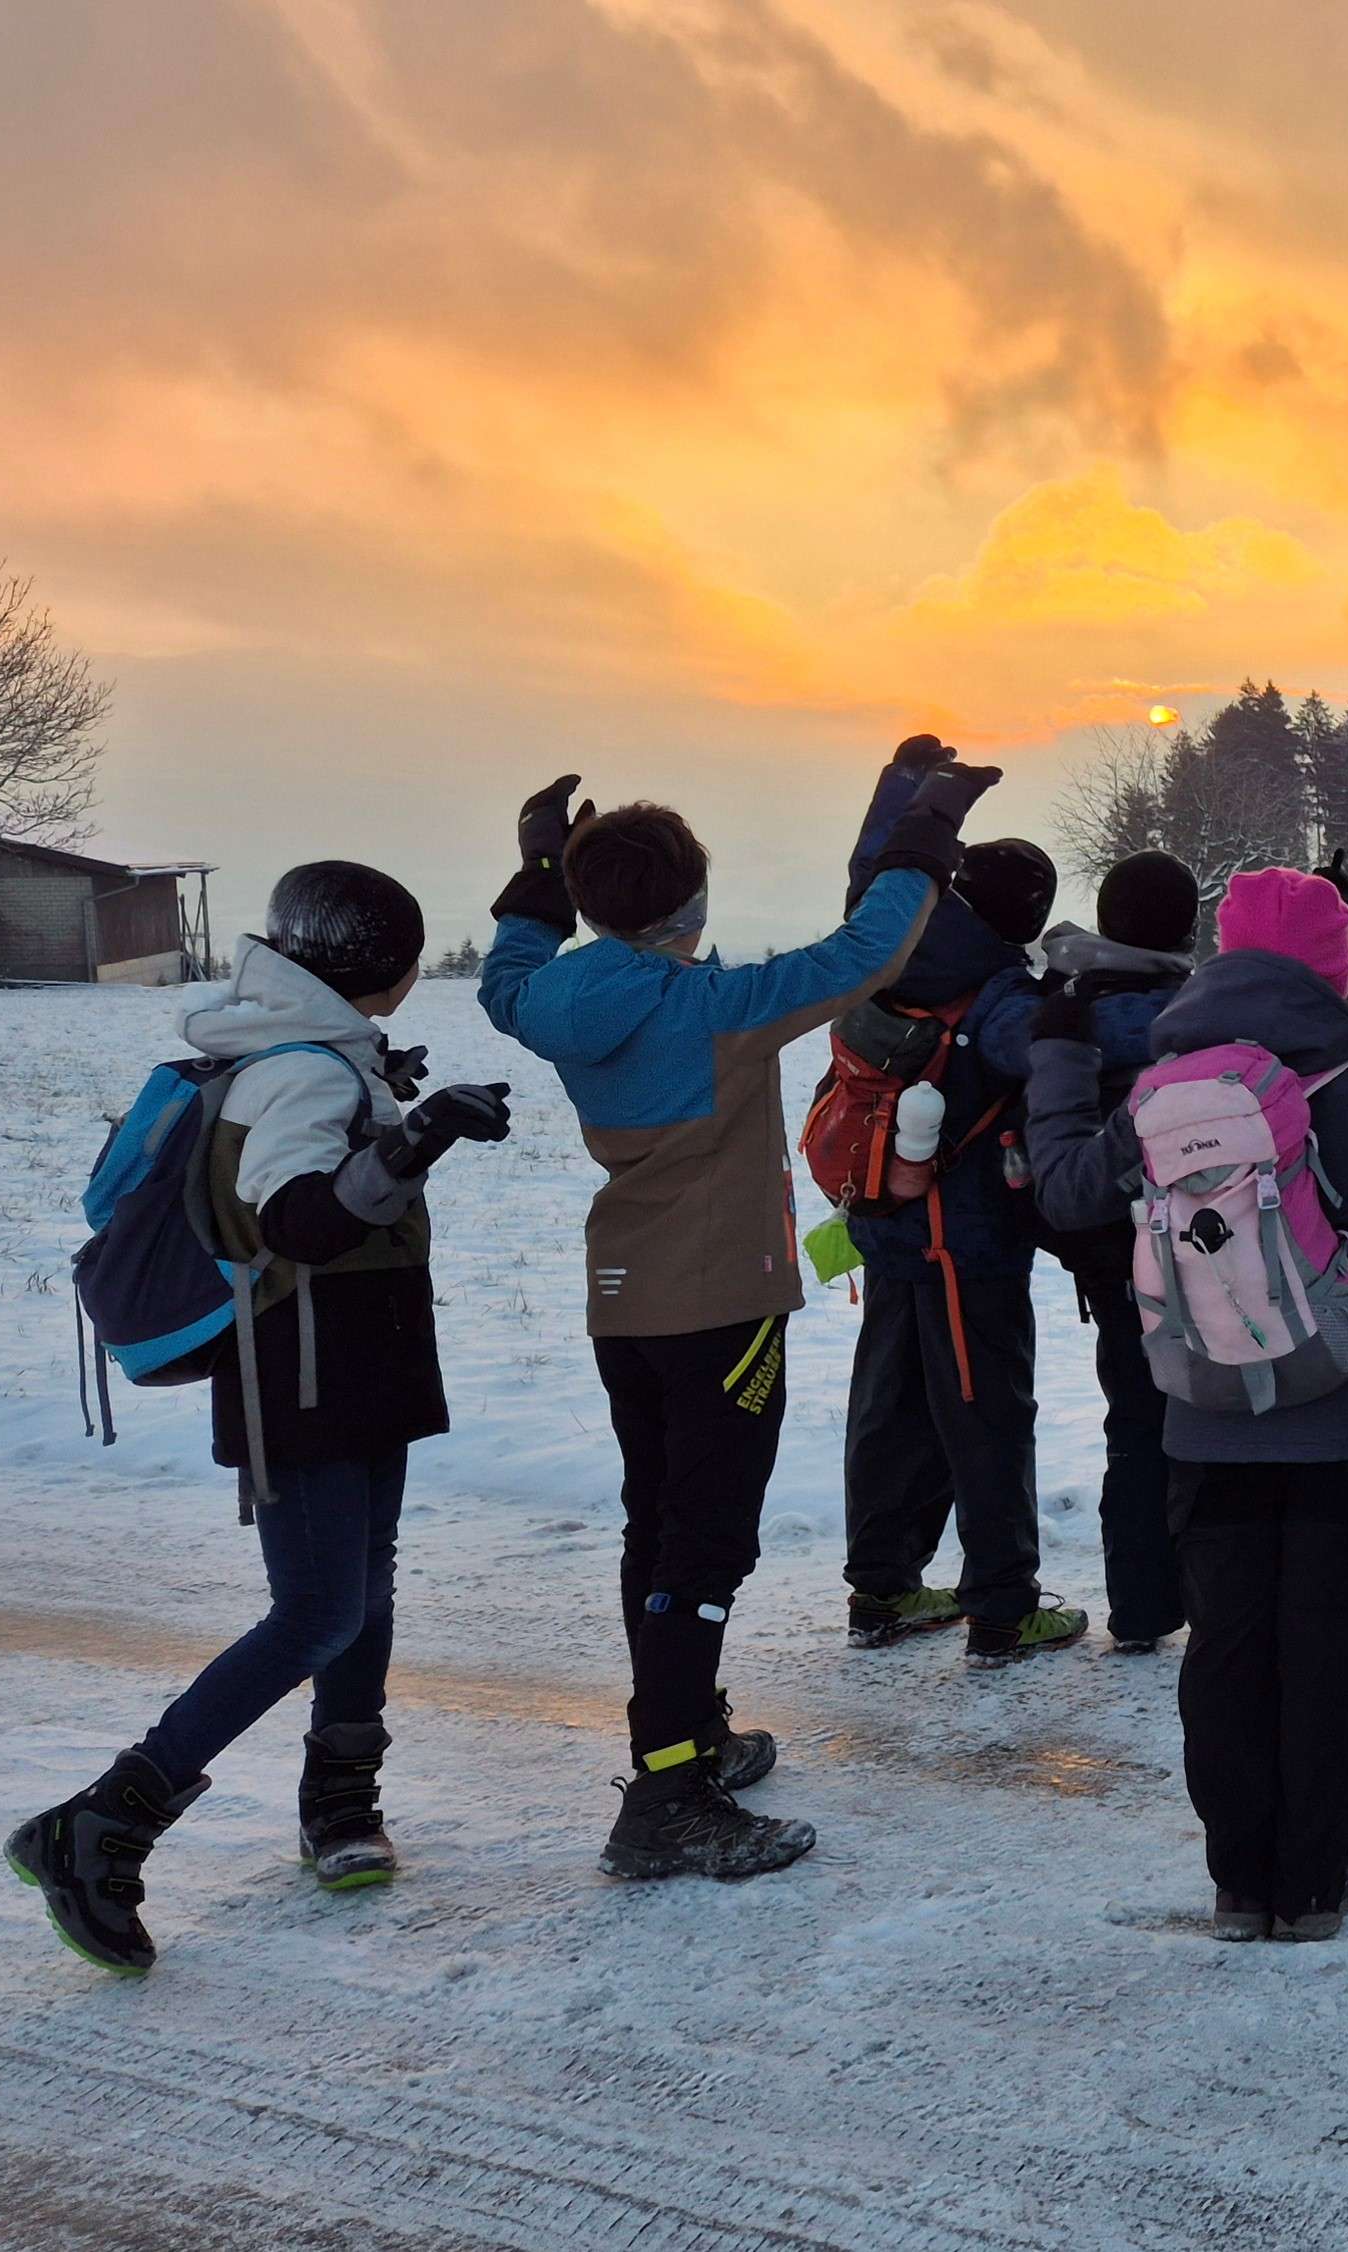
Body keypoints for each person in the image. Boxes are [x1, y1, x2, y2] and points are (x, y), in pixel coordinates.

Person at [481, 757, 1003, 1879]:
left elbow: (505, 978)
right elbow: (867, 954)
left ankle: (688, 1734)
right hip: (719, 1303)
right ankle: (667, 1791)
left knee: (654, 1524)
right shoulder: (713, 1008)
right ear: (693, 906)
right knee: (705, 1541)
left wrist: (538, 869)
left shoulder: (552, 999)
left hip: (623, 1299)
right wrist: (926, 836)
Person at [1023, 868, 1348, 1939]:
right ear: (1338, 970)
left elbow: (1066, 1186)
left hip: (1204, 1406)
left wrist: (1063, 1052)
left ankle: (1239, 1877)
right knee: (1331, 1642)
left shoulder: (1161, 1096)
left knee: (1226, 1642)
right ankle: (1311, 1878)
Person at [9, 864, 510, 1974]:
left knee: (361, 1587)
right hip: (305, 1373)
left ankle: (340, 1800)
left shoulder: (315, 1054)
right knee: (317, 1612)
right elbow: (302, 1220)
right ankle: (102, 1821)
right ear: (377, 964)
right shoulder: (301, 1071)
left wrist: (390, 1112)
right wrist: (412, 1138)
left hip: (354, 1364)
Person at [836, 736, 1082, 1667]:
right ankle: (1003, 1606)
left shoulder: (882, 938)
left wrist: (908, 788)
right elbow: (1061, 1058)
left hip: (882, 1224)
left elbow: (877, 864)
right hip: (966, 1245)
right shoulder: (1000, 1000)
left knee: (890, 1407)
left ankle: (885, 1590)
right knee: (986, 1413)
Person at [1025, 848, 1206, 1653]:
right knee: (1207, 1421)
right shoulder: (1196, 1011)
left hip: (1106, 1250)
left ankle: (1138, 1606)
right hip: (1203, 1245)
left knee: (1133, 1422)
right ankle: (1214, 1587)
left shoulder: (1062, 1001)